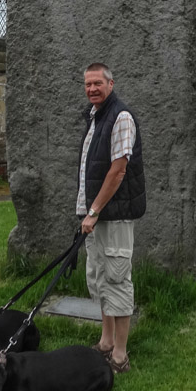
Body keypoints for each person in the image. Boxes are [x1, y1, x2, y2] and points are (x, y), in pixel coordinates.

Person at [76, 63, 146, 374]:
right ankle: (105, 342)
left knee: (117, 279)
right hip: (97, 216)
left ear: (111, 83)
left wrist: (94, 211)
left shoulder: (121, 117)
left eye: (98, 84)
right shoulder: (95, 117)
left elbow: (117, 171)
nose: (92, 89)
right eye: (88, 84)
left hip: (113, 216)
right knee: (100, 278)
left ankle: (119, 355)